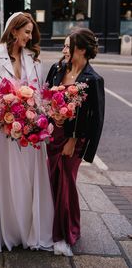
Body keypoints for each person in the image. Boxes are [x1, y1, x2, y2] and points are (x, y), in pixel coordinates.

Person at [0, 12, 54, 252]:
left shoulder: (34, 60)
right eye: (27, 32)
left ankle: (27, 229)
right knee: (5, 179)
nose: (30, 37)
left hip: (28, 133)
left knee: (28, 179)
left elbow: (38, 96)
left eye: (32, 33)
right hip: (1, 132)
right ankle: (6, 229)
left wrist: (37, 121)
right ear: (14, 31)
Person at [46, 27, 105, 256]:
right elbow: (46, 97)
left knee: (66, 184)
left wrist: (75, 142)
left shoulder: (93, 79)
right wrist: (49, 117)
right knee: (51, 182)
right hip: (52, 137)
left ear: (80, 49)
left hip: (73, 143)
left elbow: (96, 120)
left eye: (68, 46)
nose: (64, 50)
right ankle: (51, 225)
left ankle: (65, 233)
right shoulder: (57, 68)